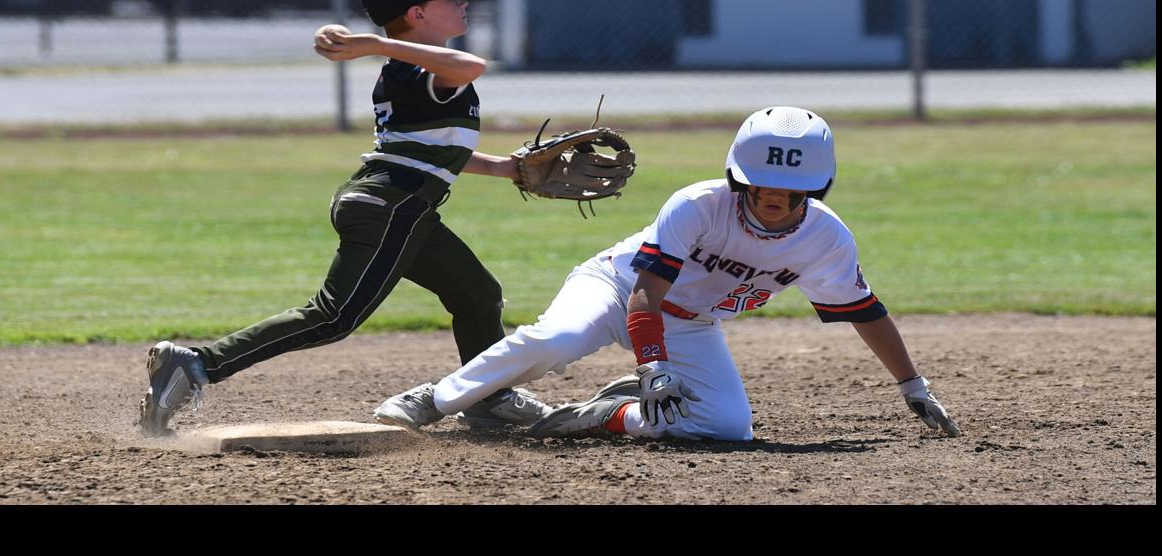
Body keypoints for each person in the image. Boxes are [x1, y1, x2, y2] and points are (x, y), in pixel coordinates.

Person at [373, 106, 961, 442]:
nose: (774, 197)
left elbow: (864, 312)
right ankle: (436, 398)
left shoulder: (825, 239)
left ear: (817, 187)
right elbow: (646, 293)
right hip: (617, 289)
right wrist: (652, 366)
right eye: (761, 184)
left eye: (792, 189)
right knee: (557, 340)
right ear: (738, 176)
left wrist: (912, 384)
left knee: (727, 428)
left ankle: (605, 413)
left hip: (689, 323)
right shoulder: (699, 204)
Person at [137, 0, 547, 437]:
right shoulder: (420, 68)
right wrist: (375, 43)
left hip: (399, 206)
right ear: (417, 14)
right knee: (333, 317)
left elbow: (425, 148)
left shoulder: (410, 69)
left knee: (478, 294)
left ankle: (487, 396)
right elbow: (472, 66)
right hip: (391, 206)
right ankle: (196, 364)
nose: (463, 2)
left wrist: (505, 168)